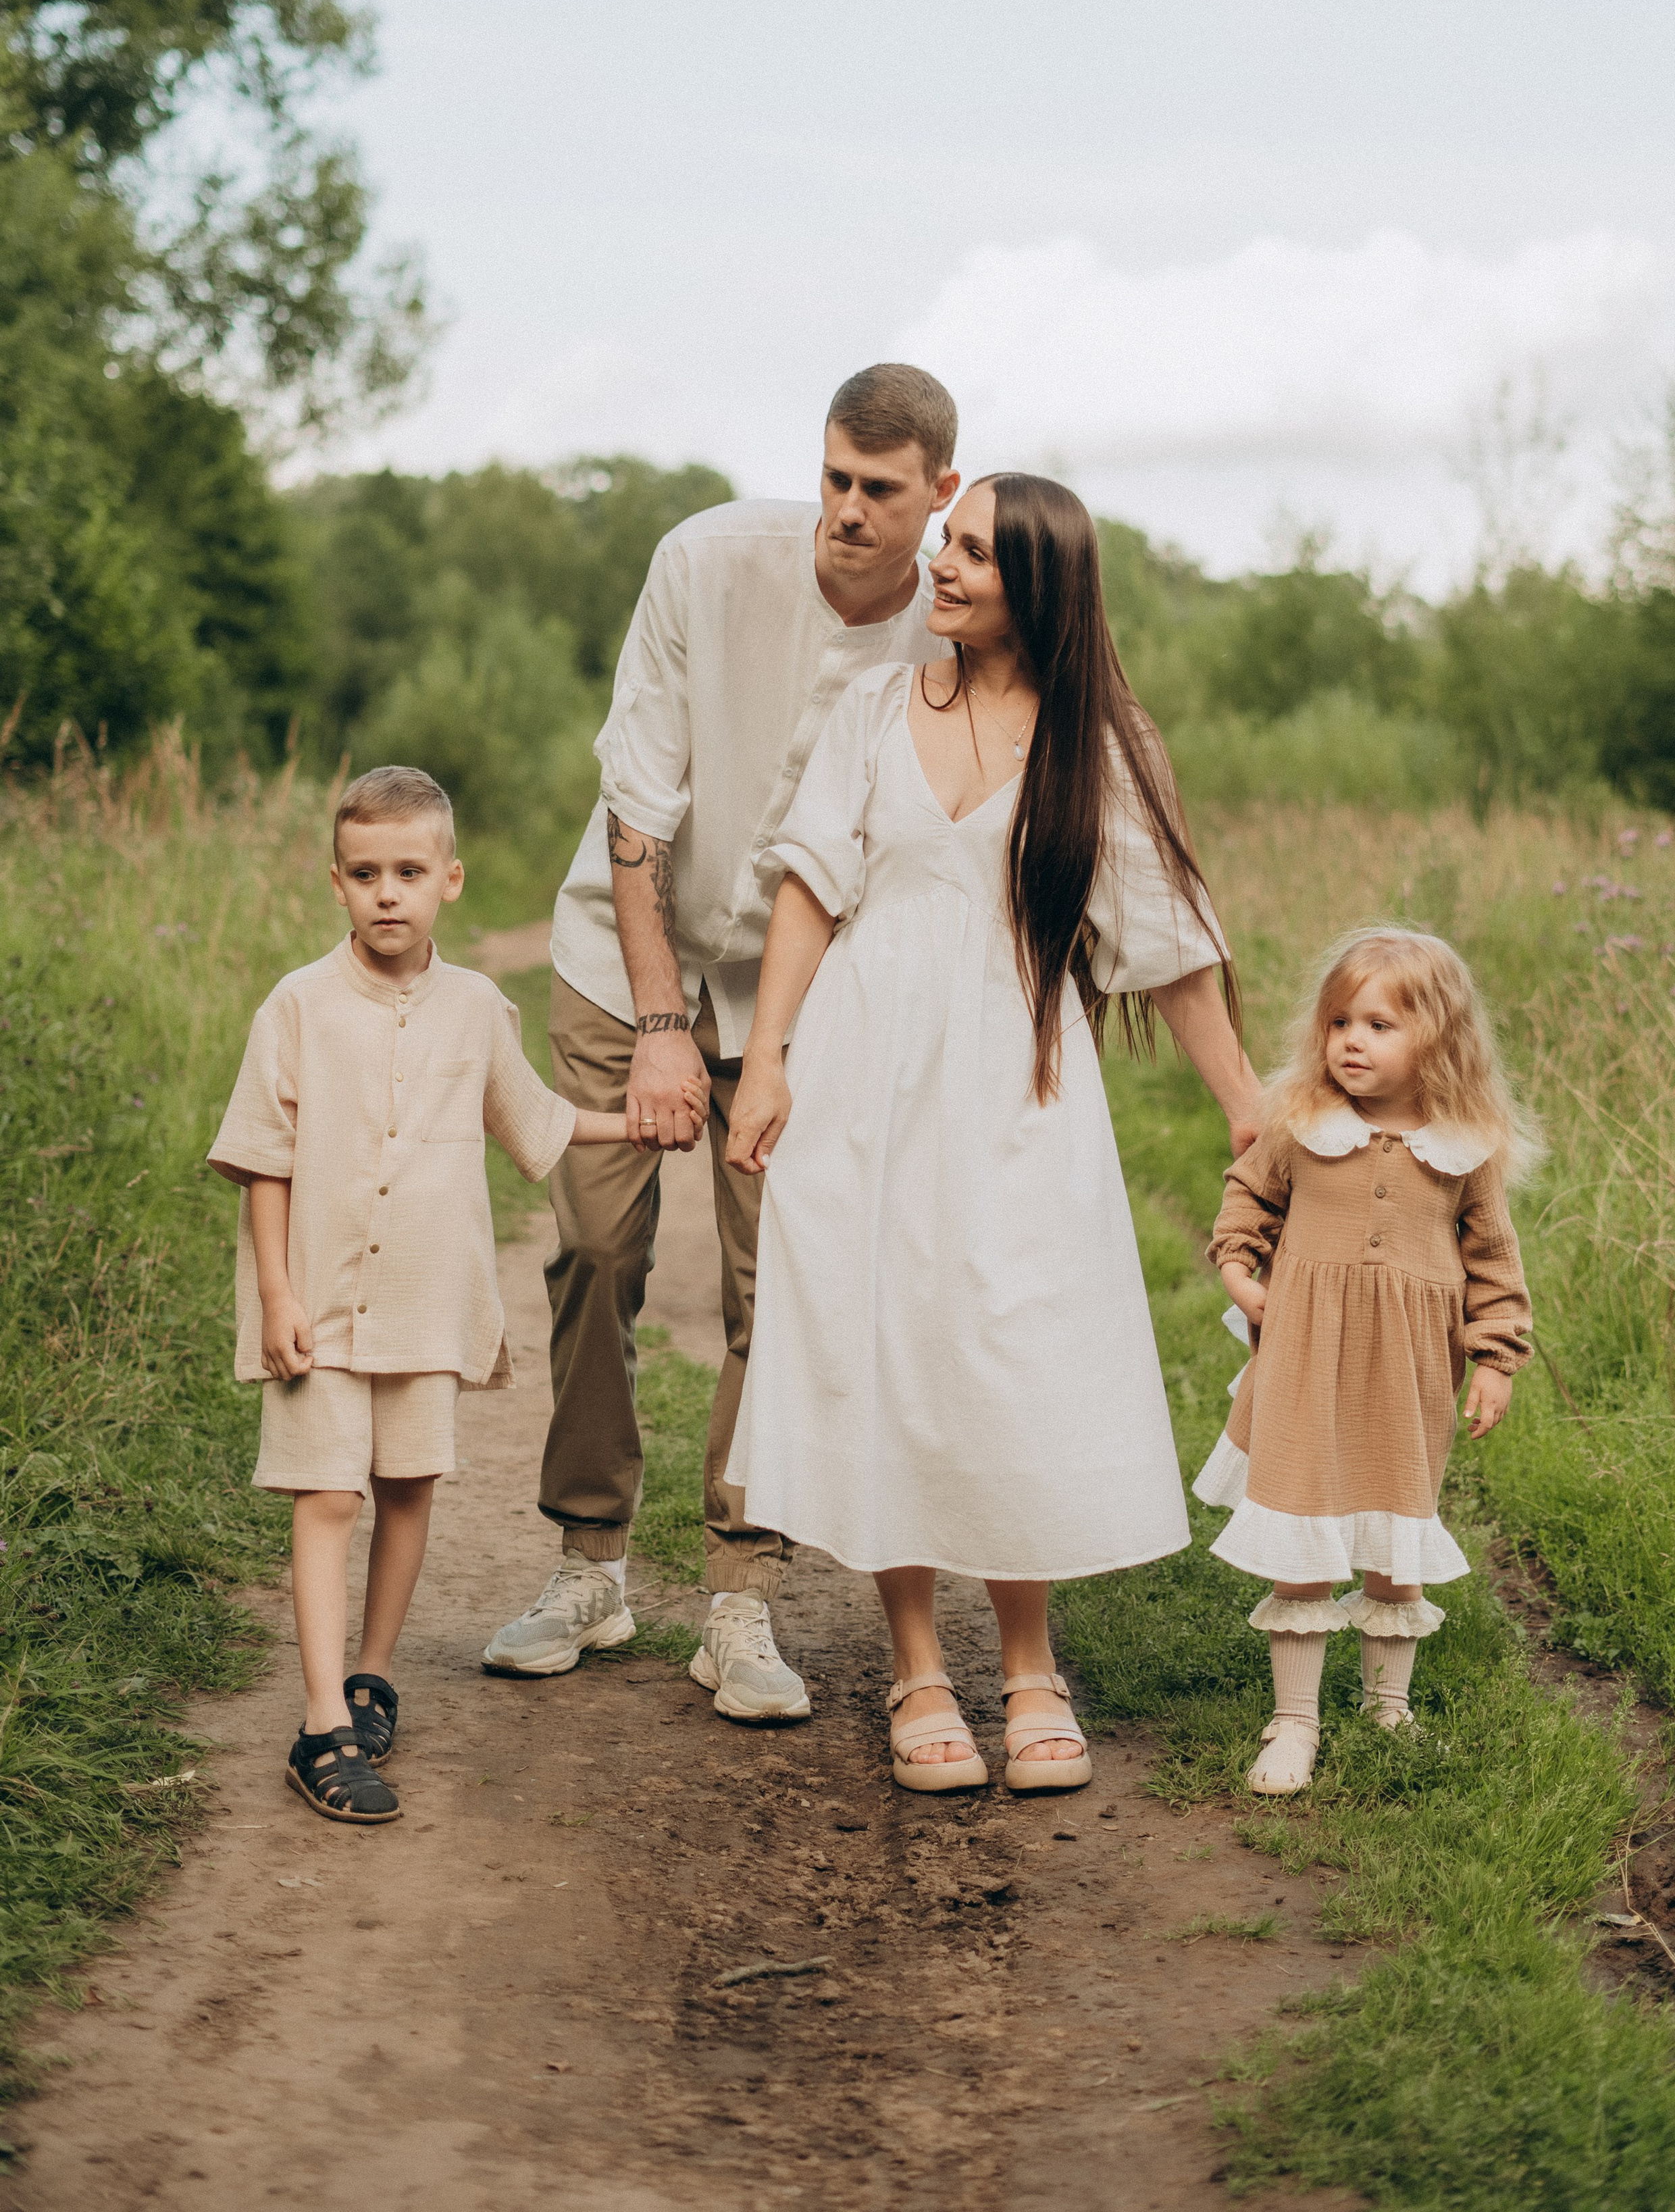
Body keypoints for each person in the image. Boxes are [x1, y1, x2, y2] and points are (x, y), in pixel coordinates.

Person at [721, 473, 1262, 1794]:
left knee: (1012, 1351)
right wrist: (767, 1060)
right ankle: (914, 1662)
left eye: (968, 554)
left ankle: (1027, 1664)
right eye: (945, 544)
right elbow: (808, 890)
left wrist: (1250, 1111)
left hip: (1016, 1087)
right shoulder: (869, 711)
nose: (939, 567)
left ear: (1036, 587)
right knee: (883, 1349)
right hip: (861, 1078)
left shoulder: (1099, 738)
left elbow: (1169, 951)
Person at [483, 366, 962, 1720]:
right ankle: (588, 1564)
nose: (847, 513)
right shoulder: (703, 560)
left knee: (779, 1287)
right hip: (619, 957)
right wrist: (655, 1027)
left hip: (804, 998)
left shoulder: (953, 628)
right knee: (594, 1243)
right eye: (833, 480)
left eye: (879, 489)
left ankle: (739, 1598)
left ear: (938, 489)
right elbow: (637, 814)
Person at [209, 766, 702, 1824]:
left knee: (405, 1489)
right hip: (320, 1305)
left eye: (410, 872)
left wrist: (652, 1123)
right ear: (336, 884)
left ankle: (370, 1678)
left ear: (451, 880)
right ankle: (318, 1725)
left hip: (426, 1303)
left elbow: (540, 1121)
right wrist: (277, 1293)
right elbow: (262, 1159)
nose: (389, 892)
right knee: (327, 1497)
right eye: (367, 873)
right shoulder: (297, 1006)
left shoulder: (479, 1008)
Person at [1196, 925, 1537, 1798]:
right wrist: (1241, 1271)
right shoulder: (1302, 1125)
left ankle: (1389, 1705)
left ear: (1440, 1042)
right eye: (1341, 1021)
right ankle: (1294, 1719)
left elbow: (1495, 1264)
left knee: (1396, 1530)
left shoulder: (1466, 1149)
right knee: (1303, 1526)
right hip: (1305, 1361)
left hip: (1409, 1377)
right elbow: (1249, 1198)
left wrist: (1494, 1360)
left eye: (1380, 1025)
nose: (1351, 1039)